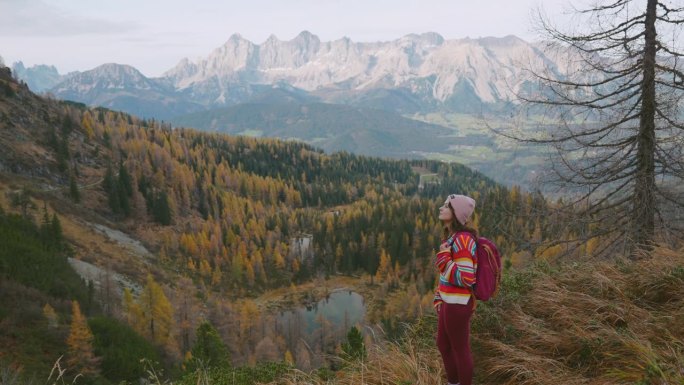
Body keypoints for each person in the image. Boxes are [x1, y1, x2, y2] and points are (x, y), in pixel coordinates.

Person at [433, 193, 478, 385]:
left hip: (458, 305)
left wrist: (444, 260)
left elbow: (467, 278)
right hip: (449, 301)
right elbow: (449, 276)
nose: (441, 208)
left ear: (456, 214)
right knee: (443, 344)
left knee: (460, 349)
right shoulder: (454, 237)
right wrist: (440, 294)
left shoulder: (463, 240)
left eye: (446, 206)